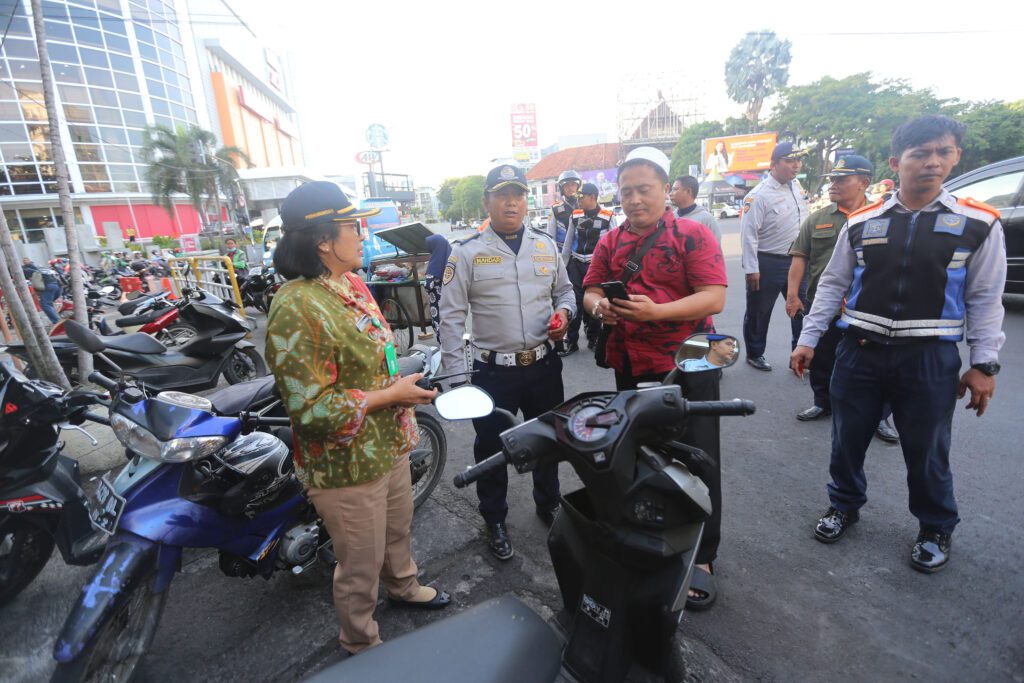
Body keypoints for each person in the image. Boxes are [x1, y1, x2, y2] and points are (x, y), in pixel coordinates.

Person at [790, 115, 1006, 573]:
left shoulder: (979, 222)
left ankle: (935, 525)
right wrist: (808, 339)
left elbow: (986, 298)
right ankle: (843, 505)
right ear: (897, 162)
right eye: (920, 154)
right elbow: (832, 285)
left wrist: (984, 363)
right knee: (847, 440)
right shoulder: (861, 221)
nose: (932, 163)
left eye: (943, 153)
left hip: (929, 356)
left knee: (927, 448)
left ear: (956, 157)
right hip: (859, 350)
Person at [266, 181, 451, 655]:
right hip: (346, 465)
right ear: (323, 240)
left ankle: (404, 586)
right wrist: (391, 395)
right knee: (359, 564)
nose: (362, 234)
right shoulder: (296, 305)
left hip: (387, 444)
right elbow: (309, 410)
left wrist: (401, 391)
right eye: (353, 226)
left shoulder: (350, 283)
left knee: (396, 532)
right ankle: (360, 642)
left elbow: (376, 360)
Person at [582, 146, 727, 609]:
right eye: (626, 192)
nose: (634, 199)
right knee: (639, 454)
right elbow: (590, 288)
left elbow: (714, 297)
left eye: (644, 190)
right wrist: (599, 308)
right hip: (630, 363)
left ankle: (702, 555)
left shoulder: (693, 234)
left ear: (667, 189)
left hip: (689, 362)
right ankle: (650, 534)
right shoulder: (611, 241)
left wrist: (657, 312)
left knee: (699, 456)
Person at [439, 164, 575, 560]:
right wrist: (457, 382)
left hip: (544, 366)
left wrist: (564, 315)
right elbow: (450, 319)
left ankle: (548, 502)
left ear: (526, 201)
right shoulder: (466, 252)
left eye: (517, 194)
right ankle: (494, 518)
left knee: (549, 440)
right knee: (491, 447)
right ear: (488, 201)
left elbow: (566, 291)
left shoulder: (545, 245)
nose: (511, 202)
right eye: (502, 195)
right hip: (493, 372)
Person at [785, 155, 900, 444]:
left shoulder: (883, 217)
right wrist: (792, 295)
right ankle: (822, 402)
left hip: (867, 309)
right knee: (821, 358)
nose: (833, 185)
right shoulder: (818, 219)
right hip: (825, 304)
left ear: (864, 182)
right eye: (832, 180)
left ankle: (881, 417)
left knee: (877, 365)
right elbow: (800, 258)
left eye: (841, 179)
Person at [740, 141, 809, 371]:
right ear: (773, 164)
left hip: (797, 259)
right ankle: (755, 353)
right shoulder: (758, 195)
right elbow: (748, 234)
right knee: (759, 311)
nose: (796, 165)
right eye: (789, 161)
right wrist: (751, 268)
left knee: (801, 308)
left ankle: (799, 354)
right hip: (768, 261)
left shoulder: (797, 187)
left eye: (798, 160)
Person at [559, 182, 614, 355]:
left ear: (593, 197)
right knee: (575, 302)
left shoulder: (608, 216)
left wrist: (613, 269)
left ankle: (594, 338)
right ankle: (572, 340)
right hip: (576, 264)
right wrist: (562, 266)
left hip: (596, 266)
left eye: (582, 197)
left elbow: (615, 245)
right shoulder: (575, 215)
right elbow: (568, 242)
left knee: (595, 302)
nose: (579, 200)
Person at [670, 175, 722, 244]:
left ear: (688, 191)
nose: (670, 194)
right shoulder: (670, 218)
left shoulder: (707, 220)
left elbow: (716, 248)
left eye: (675, 189)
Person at [423, 232, 451, 340]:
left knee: (440, 323)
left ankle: (445, 345)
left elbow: (428, 286)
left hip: (438, 303)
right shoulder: (452, 261)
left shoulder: (434, 264)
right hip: (452, 301)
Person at [548, 170, 582, 252]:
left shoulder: (585, 206)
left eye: (573, 184)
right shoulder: (555, 209)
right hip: (562, 254)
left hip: (581, 254)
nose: (570, 188)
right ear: (561, 188)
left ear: (578, 187)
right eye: (566, 185)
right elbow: (550, 236)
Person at [23, 257, 62, 324]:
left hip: (49, 286)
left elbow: (36, 284)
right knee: (49, 304)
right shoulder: (39, 267)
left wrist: (36, 292)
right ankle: (57, 319)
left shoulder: (26, 270)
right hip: (58, 286)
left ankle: (57, 322)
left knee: (45, 304)